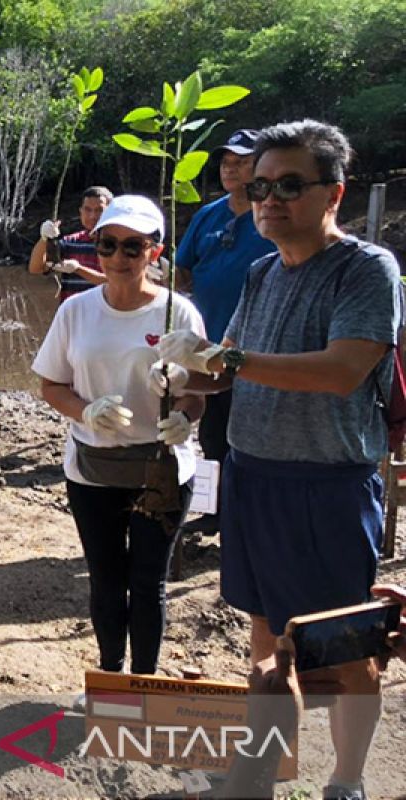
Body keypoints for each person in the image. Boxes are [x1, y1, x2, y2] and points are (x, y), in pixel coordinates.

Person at [157, 120, 401, 800]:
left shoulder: (366, 269)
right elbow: (229, 372)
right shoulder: (263, 272)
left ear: (335, 194)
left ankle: (346, 781)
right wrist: (182, 381)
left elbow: (341, 370)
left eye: (290, 184)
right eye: (260, 186)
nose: (269, 198)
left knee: (346, 652)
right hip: (252, 478)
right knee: (265, 640)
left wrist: (225, 360)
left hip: (327, 486)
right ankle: (263, 767)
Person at [31, 194, 205, 676]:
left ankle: (144, 682)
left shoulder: (179, 313)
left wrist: (185, 416)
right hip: (94, 468)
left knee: (148, 583)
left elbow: (199, 393)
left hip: (162, 468)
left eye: (133, 247)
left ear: (155, 251)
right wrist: (86, 413)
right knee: (106, 581)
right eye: (108, 246)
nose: (119, 258)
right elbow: (51, 384)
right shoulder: (77, 311)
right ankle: (111, 677)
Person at [174, 129, 277, 535]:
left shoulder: (272, 216)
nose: (230, 167)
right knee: (212, 433)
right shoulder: (207, 215)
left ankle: (247, 517)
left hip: (260, 353)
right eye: (225, 161)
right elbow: (183, 271)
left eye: (241, 160)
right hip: (207, 347)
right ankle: (215, 513)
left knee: (251, 437)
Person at [28, 186, 113, 301]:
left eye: (99, 210)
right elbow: (35, 268)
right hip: (72, 316)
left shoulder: (119, 244)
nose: (92, 216)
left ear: (111, 211)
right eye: (87, 209)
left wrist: (78, 269)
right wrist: (44, 239)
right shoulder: (70, 242)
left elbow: (119, 282)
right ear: (81, 212)